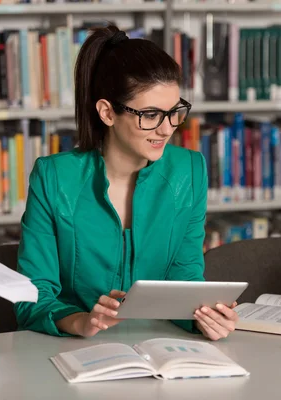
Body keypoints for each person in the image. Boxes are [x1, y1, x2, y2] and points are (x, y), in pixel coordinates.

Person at [14, 25, 239, 341]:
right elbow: (32, 295)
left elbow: (184, 276)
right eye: (150, 115)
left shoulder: (189, 171)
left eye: (174, 112)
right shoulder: (53, 178)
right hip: (72, 350)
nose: (166, 129)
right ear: (107, 112)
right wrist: (79, 321)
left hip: (159, 348)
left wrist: (203, 318)